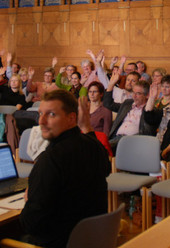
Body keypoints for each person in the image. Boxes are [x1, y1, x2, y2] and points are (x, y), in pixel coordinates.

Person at [19, 90, 109, 248]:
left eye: (51, 114)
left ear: (71, 118)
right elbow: (105, 167)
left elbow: (31, 224)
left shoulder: (50, 160)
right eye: (40, 113)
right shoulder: (93, 147)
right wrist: (86, 126)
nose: (41, 121)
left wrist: (29, 202)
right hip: (91, 239)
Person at [104, 74, 154, 151]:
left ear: (146, 95)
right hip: (116, 138)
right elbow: (108, 104)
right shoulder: (127, 103)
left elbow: (147, 132)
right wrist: (111, 85)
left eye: (138, 93)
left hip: (133, 143)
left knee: (100, 149)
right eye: (133, 92)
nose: (134, 96)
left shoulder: (150, 111)